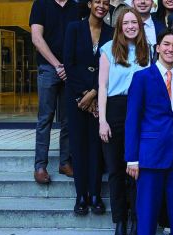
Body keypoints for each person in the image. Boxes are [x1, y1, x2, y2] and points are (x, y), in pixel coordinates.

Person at [125, 28, 173, 235]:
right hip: (149, 156)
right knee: (147, 212)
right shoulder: (142, 77)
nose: (171, 49)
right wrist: (132, 158)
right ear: (158, 48)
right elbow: (132, 118)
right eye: (166, 44)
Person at [98, 8, 150, 235]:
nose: (130, 26)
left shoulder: (146, 50)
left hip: (139, 111)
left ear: (139, 25)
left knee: (135, 170)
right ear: (119, 26)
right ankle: (120, 221)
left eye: (134, 22)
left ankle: (136, 222)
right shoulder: (108, 49)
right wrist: (102, 121)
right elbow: (102, 87)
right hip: (115, 110)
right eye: (126, 22)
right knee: (116, 170)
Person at [63, 0, 114, 216]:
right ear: (90, 4)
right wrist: (83, 94)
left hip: (99, 98)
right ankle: (80, 195)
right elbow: (69, 63)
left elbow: (112, 64)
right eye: (97, 2)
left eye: (105, 2)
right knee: (79, 146)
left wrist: (94, 93)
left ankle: (95, 195)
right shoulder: (74, 28)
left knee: (96, 148)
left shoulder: (112, 32)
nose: (101, 6)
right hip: (76, 97)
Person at [29, 0, 79, 184]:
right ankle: (40, 166)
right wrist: (57, 65)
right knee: (45, 118)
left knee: (68, 119)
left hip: (70, 69)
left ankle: (65, 162)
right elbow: (36, 38)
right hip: (48, 69)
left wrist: (69, 66)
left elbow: (79, 37)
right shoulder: (41, 4)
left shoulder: (75, 6)